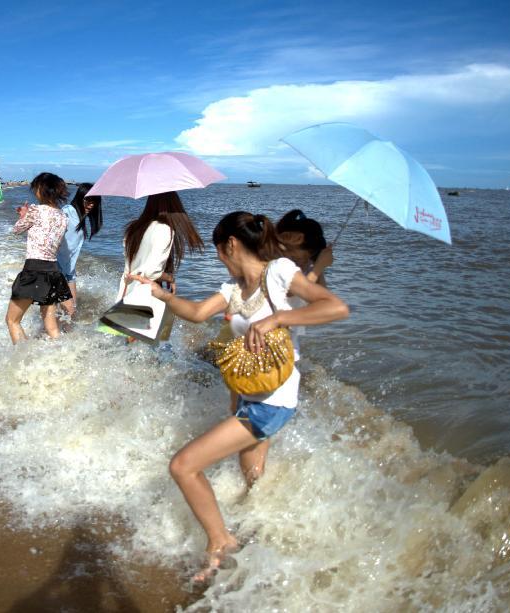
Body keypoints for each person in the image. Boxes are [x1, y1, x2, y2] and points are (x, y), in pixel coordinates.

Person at [129, 211, 349, 581]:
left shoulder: (279, 272)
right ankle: (263, 533)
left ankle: (220, 541)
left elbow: (334, 307)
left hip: (273, 401)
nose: (218, 258)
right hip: (248, 393)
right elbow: (198, 313)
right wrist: (157, 294)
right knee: (252, 474)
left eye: (218, 250)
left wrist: (277, 319)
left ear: (230, 244)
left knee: (183, 466)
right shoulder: (233, 289)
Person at [4, 173, 72, 344]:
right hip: (53, 272)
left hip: (34, 269)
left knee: (12, 320)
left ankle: (23, 360)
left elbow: (16, 230)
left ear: (41, 189)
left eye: (35, 188)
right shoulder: (64, 217)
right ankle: (60, 356)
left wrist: (23, 215)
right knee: (51, 326)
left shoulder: (35, 210)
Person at [118, 191, 203, 300]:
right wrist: (170, 278)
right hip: (145, 298)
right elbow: (151, 272)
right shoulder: (164, 229)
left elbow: (131, 264)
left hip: (125, 293)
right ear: (174, 206)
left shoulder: (135, 227)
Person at [57, 183, 103, 316]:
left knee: (70, 313)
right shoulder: (67, 212)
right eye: (88, 201)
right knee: (66, 312)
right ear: (79, 198)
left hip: (69, 272)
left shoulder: (80, 217)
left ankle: (63, 336)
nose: (91, 205)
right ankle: (49, 336)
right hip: (57, 270)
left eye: (95, 202)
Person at [276, 209, 333, 286]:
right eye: (297, 258)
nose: (305, 263)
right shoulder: (277, 265)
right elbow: (295, 291)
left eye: (310, 257)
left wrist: (318, 266)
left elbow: (322, 294)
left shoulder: (309, 265)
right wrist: (318, 268)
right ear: (284, 248)